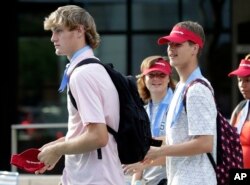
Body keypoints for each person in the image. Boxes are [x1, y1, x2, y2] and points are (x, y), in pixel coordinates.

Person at [35, 5, 126, 185]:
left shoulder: (82, 74)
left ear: (79, 30)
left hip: (92, 179)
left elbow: (98, 136)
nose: (53, 38)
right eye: (53, 32)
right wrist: (58, 148)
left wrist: (58, 149)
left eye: (59, 31)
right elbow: (90, 131)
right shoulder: (94, 68)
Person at [143, 21, 217, 185]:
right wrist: (147, 152)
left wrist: (160, 151)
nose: (171, 49)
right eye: (170, 44)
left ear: (195, 48)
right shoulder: (181, 88)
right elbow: (177, 139)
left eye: (177, 44)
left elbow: (205, 143)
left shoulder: (197, 89)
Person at [123, 56, 175, 185]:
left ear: (169, 78)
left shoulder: (177, 107)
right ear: (143, 78)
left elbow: (177, 149)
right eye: (151, 75)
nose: (156, 79)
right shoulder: (144, 111)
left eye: (161, 75)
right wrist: (136, 182)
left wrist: (142, 163)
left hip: (171, 179)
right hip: (149, 181)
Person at [228, 53, 250, 169]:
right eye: (240, 80)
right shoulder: (240, 108)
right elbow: (228, 142)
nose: (242, 85)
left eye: (248, 80)